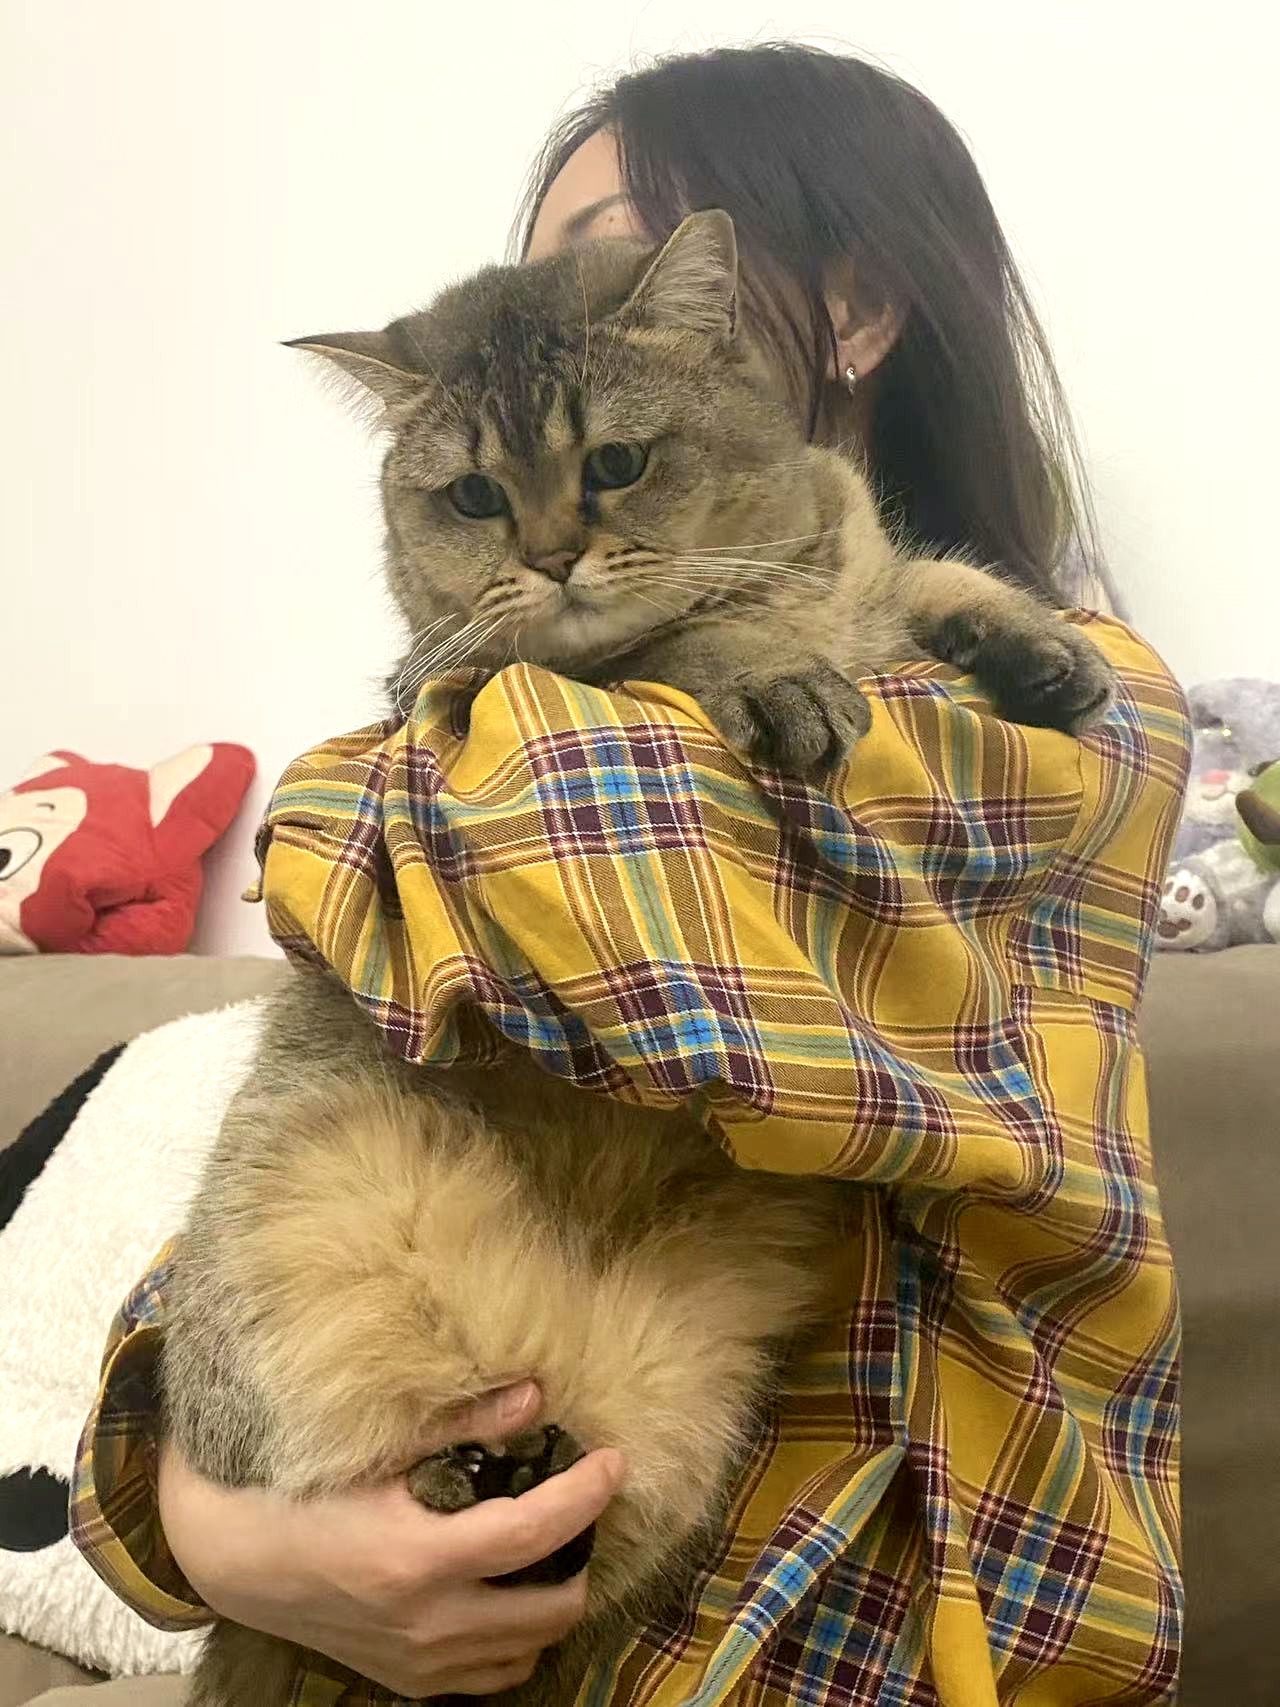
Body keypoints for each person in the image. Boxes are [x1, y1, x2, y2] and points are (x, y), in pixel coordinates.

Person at [52, 42, 1181, 1707]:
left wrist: (459, 739)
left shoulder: (1074, 710)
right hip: (394, 1486)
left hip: (832, 1628)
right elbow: (182, 1365)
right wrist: (220, 1539)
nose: (552, 549)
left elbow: (615, 899)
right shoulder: (453, 744)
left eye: (617, 262)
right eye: (476, 497)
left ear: (854, 310)